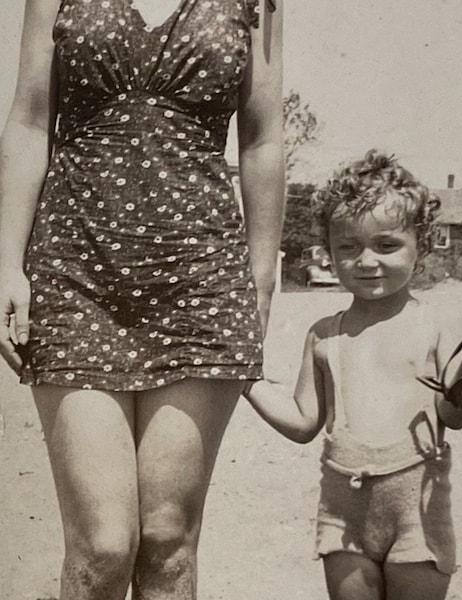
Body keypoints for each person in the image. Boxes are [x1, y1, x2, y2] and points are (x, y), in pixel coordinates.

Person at [0, 1, 283, 599]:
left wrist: (259, 279)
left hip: (201, 279)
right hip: (76, 268)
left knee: (168, 542)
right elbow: (28, 121)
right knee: (102, 544)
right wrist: (6, 264)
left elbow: (262, 138)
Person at [243, 150, 462, 600]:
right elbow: (301, 423)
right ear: (329, 252)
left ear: (422, 245)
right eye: (348, 247)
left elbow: (452, 417)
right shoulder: (324, 335)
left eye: (386, 245)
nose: (366, 261)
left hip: (417, 512)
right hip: (343, 515)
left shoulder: (437, 326)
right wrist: (245, 378)